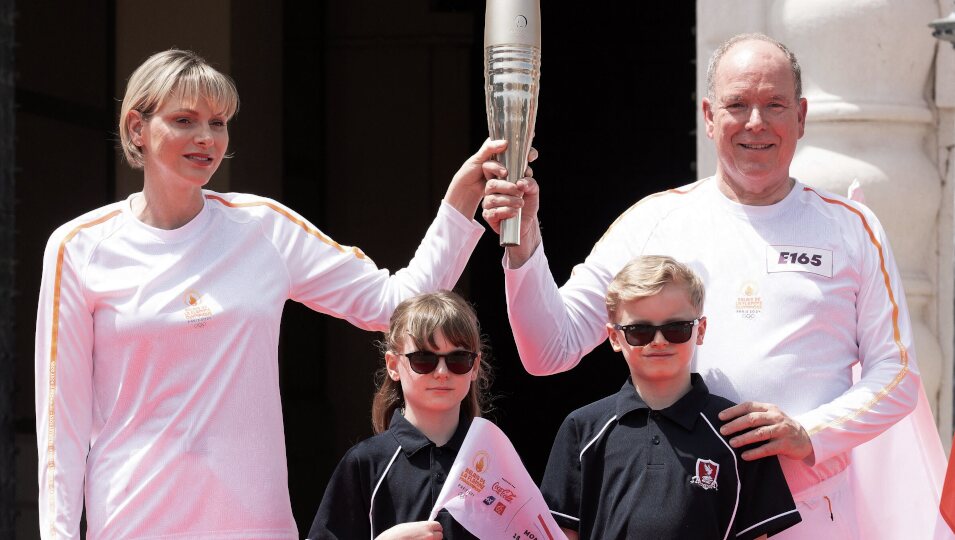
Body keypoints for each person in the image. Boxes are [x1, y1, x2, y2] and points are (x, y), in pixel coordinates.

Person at [34, 49, 522, 539]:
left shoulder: (263, 226)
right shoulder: (79, 248)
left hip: (254, 525)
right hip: (131, 523)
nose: (206, 137)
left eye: (218, 122)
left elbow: (392, 305)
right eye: (184, 120)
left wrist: (461, 202)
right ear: (137, 128)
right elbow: (62, 430)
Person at [481, 33, 927, 538]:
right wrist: (523, 244)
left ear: (800, 116)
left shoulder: (852, 228)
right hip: (682, 512)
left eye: (774, 104)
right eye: (737, 104)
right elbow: (549, 349)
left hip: (810, 510)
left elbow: (897, 376)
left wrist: (810, 432)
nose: (756, 123)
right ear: (710, 115)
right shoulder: (653, 221)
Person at [541, 256, 800, 540]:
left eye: (676, 328)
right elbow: (560, 533)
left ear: (699, 330)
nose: (659, 341)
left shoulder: (739, 431)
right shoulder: (582, 429)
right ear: (615, 338)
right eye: (639, 331)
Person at [307, 290, 491, 539]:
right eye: (424, 358)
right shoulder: (366, 462)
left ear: (475, 367)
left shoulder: (493, 459)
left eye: (458, 358)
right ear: (393, 365)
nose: (441, 371)